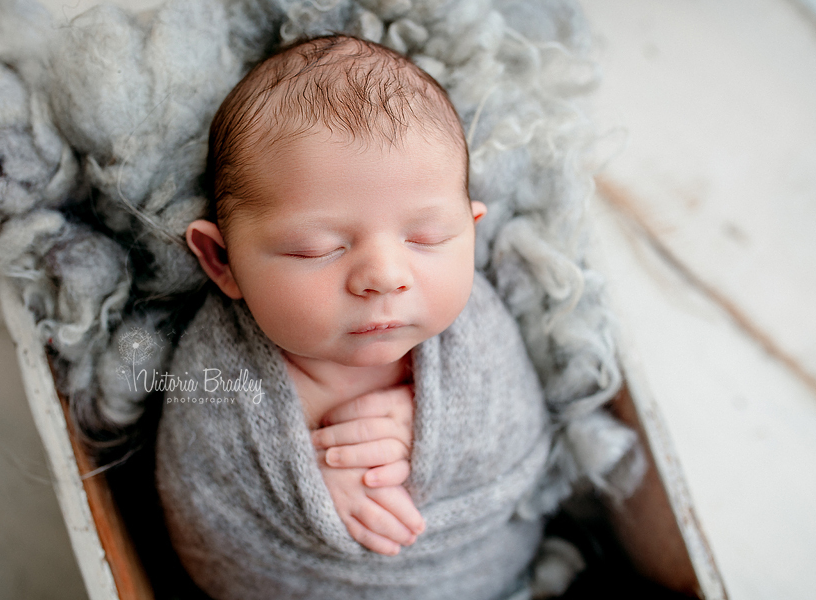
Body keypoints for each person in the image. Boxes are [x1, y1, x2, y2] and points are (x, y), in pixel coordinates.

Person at [156, 34, 551, 600]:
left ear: (472, 229)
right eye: (317, 248)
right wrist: (311, 492)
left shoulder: (478, 336)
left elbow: (521, 432)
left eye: (427, 237)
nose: (385, 276)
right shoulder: (218, 380)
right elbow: (203, 500)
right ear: (223, 261)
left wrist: (435, 435)